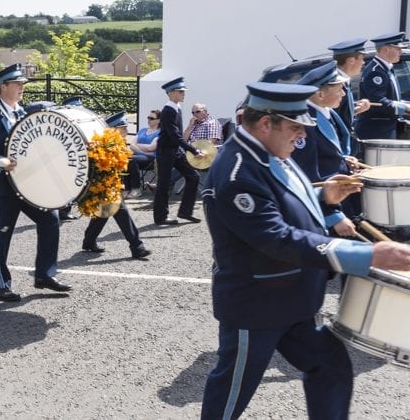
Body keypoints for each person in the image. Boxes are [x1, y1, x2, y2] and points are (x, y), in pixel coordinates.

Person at [200, 81, 410, 419]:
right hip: (257, 306)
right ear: (266, 123)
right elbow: (276, 237)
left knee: (332, 369)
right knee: (229, 396)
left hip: (294, 301)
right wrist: (367, 255)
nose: (301, 136)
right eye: (295, 127)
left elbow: (280, 204)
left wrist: (322, 196)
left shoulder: (268, 153)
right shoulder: (236, 172)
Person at [0, 63, 71, 302]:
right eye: (17, 84)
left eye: (22, 84)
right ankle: (1, 284)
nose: (21, 88)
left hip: (27, 185)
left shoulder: (22, 112)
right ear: (2, 86)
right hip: (3, 187)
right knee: (1, 235)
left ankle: (44, 274)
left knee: (50, 219)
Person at [291, 61, 361, 238]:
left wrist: (343, 159)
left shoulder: (326, 113)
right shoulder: (306, 125)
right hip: (324, 207)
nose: (344, 94)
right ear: (320, 94)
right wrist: (333, 216)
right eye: (339, 90)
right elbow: (308, 178)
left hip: (339, 196)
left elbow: (328, 151)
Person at [80, 113, 151, 260]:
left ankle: (89, 241)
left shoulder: (117, 142)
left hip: (112, 185)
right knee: (120, 212)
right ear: (114, 129)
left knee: (105, 212)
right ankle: (137, 246)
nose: (126, 130)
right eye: (123, 128)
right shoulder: (104, 144)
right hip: (105, 185)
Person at [153, 77, 202, 226]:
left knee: (193, 176)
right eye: (180, 91)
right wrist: (193, 150)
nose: (183, 94)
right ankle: (161, 217)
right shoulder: (168, 111)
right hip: (166, 151)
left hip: (175, 150)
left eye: (183, 91)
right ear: (171, 93)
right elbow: (174, 135)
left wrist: (187, 149)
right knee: (164, 184)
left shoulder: (177, 108)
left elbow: (177, 136)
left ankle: (185, 211)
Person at [354, 31, 409, 141]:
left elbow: (391, 98)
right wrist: (405, 108)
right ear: (386, 49)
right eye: (398, 49)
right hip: (376, 131)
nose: (401, 52)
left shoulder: (385, 68)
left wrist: (405, 104)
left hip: (385, 129)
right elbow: (378, 101)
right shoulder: (376, 72)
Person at [329, 38, 371, 158]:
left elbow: (341, 112)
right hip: (339, 148)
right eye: (362, 59)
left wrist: (357, 109)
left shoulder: (344, 81)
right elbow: (332, 118)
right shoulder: (335, 83)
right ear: (351, 61)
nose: (364, 63)